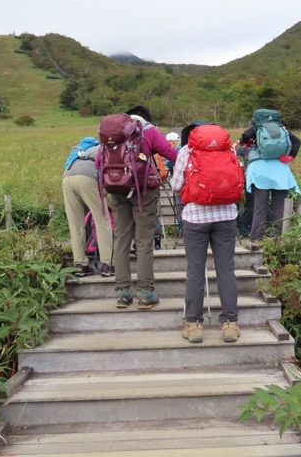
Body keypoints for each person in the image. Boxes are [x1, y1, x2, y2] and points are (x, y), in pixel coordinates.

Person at [171, 121, 240, 344]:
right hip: (227, 216)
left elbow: (175, 184)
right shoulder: (229, 150)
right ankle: (230, 324)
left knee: (195, 271)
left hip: (196, 217)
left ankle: (193, 325)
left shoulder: (186, 151)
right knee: (226, 270)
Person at [108, 105, 178, 309]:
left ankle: (122, 292)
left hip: (117, 189)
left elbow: (99, 163)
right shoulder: (148, 130)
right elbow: (172, 154)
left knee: (121, 237)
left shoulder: (112, 132)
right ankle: (145, 292)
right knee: (144, 240)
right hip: (143, 191)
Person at [238, 117, 301, 242]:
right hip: (280, 170)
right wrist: (290, 157)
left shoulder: (256, 128)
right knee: (280, 207)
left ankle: (256, 238)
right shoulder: (282, 130)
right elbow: (297, 142)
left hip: (259, 171)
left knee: (260, 207)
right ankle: (279, 237)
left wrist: (247, 142)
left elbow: (245, 136)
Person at [62, 136, 113, 276]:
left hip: (67, 177)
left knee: (75, 224)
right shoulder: (106, 149)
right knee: (102, 220)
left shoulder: (81, 151)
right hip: (88, 177)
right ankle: (107, 264)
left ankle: (80, 264)